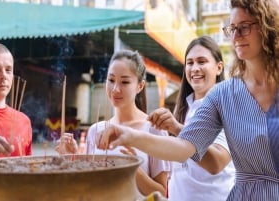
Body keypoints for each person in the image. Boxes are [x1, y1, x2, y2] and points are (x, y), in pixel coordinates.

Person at [97, 0, 279, 200]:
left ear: (266, 27)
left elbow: (215, 160)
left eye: (244, 28)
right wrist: (129, 135)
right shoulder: (223, 94)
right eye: (232, 28)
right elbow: (185, 148)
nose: (235, 36)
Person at [56, 49, 170, 197]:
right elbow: (88, 185)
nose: (115, 89)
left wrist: (134, 169)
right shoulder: (96, 130)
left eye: (124, 82)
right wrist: (73, 158)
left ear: (140, 86)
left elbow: (163, 194)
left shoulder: (154, 129)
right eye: (111, 80)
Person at [148, 36, 235, 201]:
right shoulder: (185, 108)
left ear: (219, 68)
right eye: (190, 63)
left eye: (202, 62)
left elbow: (216, 162)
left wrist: (176, 128)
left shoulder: (227, 105)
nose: (195, 68)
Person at [0, 43, 32, 161]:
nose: (3, 76)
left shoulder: (24, 121)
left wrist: (66, 156)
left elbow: (28, 169)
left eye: (8, 70)